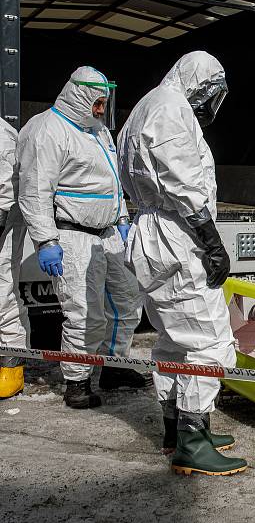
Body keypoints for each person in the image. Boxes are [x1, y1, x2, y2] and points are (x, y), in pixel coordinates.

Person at [117, 51, 245, 476]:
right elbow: (184, 181)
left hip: (153, 230)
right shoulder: (171, 110)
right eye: (211, 93)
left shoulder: (145, 106)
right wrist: (211, 241)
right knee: (209, 342)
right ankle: (192, 442)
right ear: (198, 83)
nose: (211, 103)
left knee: (174, 340)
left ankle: (180, 426)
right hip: (178, 235)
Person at [17, 67, 145, 409]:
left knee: (126, 302)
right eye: (98, 103)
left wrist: (121, 218)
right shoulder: (48, 130)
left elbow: (112, 181)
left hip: (107, 234)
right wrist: (46, 240)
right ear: (81, 96)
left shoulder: (97, 131)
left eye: (104, 103)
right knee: (84, 313)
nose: (102, 110)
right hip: (71, 236)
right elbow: (34, 190)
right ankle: (77, 381)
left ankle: (115, 366)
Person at [0, 117, 31, 399]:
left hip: (5, 225)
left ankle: (12, 367)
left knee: (3, 293)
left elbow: (9, 188)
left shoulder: (3, 135)